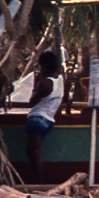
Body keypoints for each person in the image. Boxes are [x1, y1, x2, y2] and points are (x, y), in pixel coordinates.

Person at [25, 50, 65, 182]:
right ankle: (36, 178)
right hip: (49, 119)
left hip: (37, 119)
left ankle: (39, 181)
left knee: (35, 153)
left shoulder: (44, 83)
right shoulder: (61, 81)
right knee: (31, 151)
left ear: (45, 67)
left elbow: (32, 102)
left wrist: (37, 83)